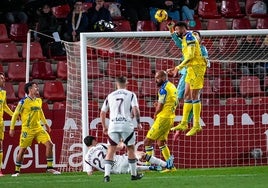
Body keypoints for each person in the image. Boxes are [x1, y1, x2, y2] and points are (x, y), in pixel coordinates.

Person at [167, 22, 209, 140]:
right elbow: (177, 42)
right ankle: (184, 122)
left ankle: (196, 124)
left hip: (196, 68)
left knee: (194, 95)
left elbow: (190, 57)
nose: (176, 32)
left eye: (177, 30)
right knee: (187, 96)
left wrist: (177, 67)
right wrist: (170, 29)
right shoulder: (185, 39)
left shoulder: (191, 39)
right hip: (189, 69)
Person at [9, 82, 61, 176]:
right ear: (30, 89)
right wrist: (12, 128)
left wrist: (46, 124)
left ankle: (49, 168)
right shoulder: (23, 101)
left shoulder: (38, 100)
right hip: (27, 129)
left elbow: (40, 113)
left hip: (38, 128)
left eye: (37, 87)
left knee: (50, 144)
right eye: (35, 87)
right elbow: (15, 114)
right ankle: (17, 171)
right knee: (22, 150)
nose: (37, 88)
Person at [100, 76, 143, 182]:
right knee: (130, 149)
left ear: (116, 84)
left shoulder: (110, 96)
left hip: (113, 125)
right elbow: (135, 109)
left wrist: (104, 126)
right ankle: (133, 175)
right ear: (127, 83)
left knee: (110, 150)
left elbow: (103, 112)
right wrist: (138, 123)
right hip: (126, 125)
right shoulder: (131, 94)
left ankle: (106, 176)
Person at [84, 135, 173, 175]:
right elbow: (119, 147)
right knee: (140, 154)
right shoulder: (99, 146)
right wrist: (122, 141)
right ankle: (166, 165)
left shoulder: (86, 158)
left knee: (133, 168)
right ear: (94, 141)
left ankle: (151, 168)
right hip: (120, 162)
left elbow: (89, 173)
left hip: (116, 172)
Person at [143, 70, 177, 173]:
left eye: (157, 78)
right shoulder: (172, 86)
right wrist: (158, 105)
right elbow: (173, 102)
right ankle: (171, 167)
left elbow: (160, 106)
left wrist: (155, 113)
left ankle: (148, 165)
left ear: (163, 78)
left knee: (147, 141)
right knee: (161, 142)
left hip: (163, 118)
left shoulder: (163, 89)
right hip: (170, 117)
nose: (155, 80)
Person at [0, 72, 14, 176]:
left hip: (0, 123)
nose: (3, 80)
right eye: (1, 78)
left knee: (0, 146)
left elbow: (4, 106)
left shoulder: (3, 93)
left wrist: (13, 115)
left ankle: (0, 170)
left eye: (4, 78)